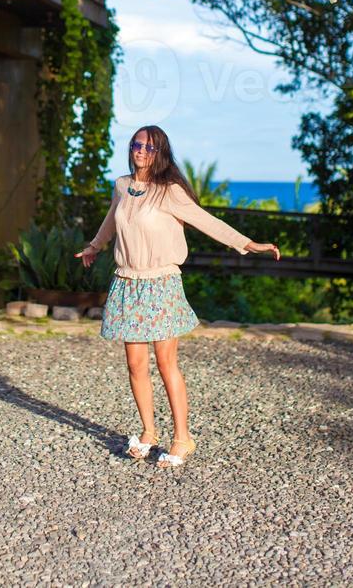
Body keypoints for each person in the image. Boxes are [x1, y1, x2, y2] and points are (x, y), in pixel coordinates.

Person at [74, 124, 280, 468]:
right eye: (136, 144)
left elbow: (207, 221)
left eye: (149, 147)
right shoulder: (123, 186)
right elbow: (112, 219)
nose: (140, 151)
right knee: (135, 365)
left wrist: (248, 243)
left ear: (160, 153)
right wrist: (95, 246)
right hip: (128, 282)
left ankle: (183, 437)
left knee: (167, 362)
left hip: (161, 283)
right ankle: (149, 433)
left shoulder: (169, 192)